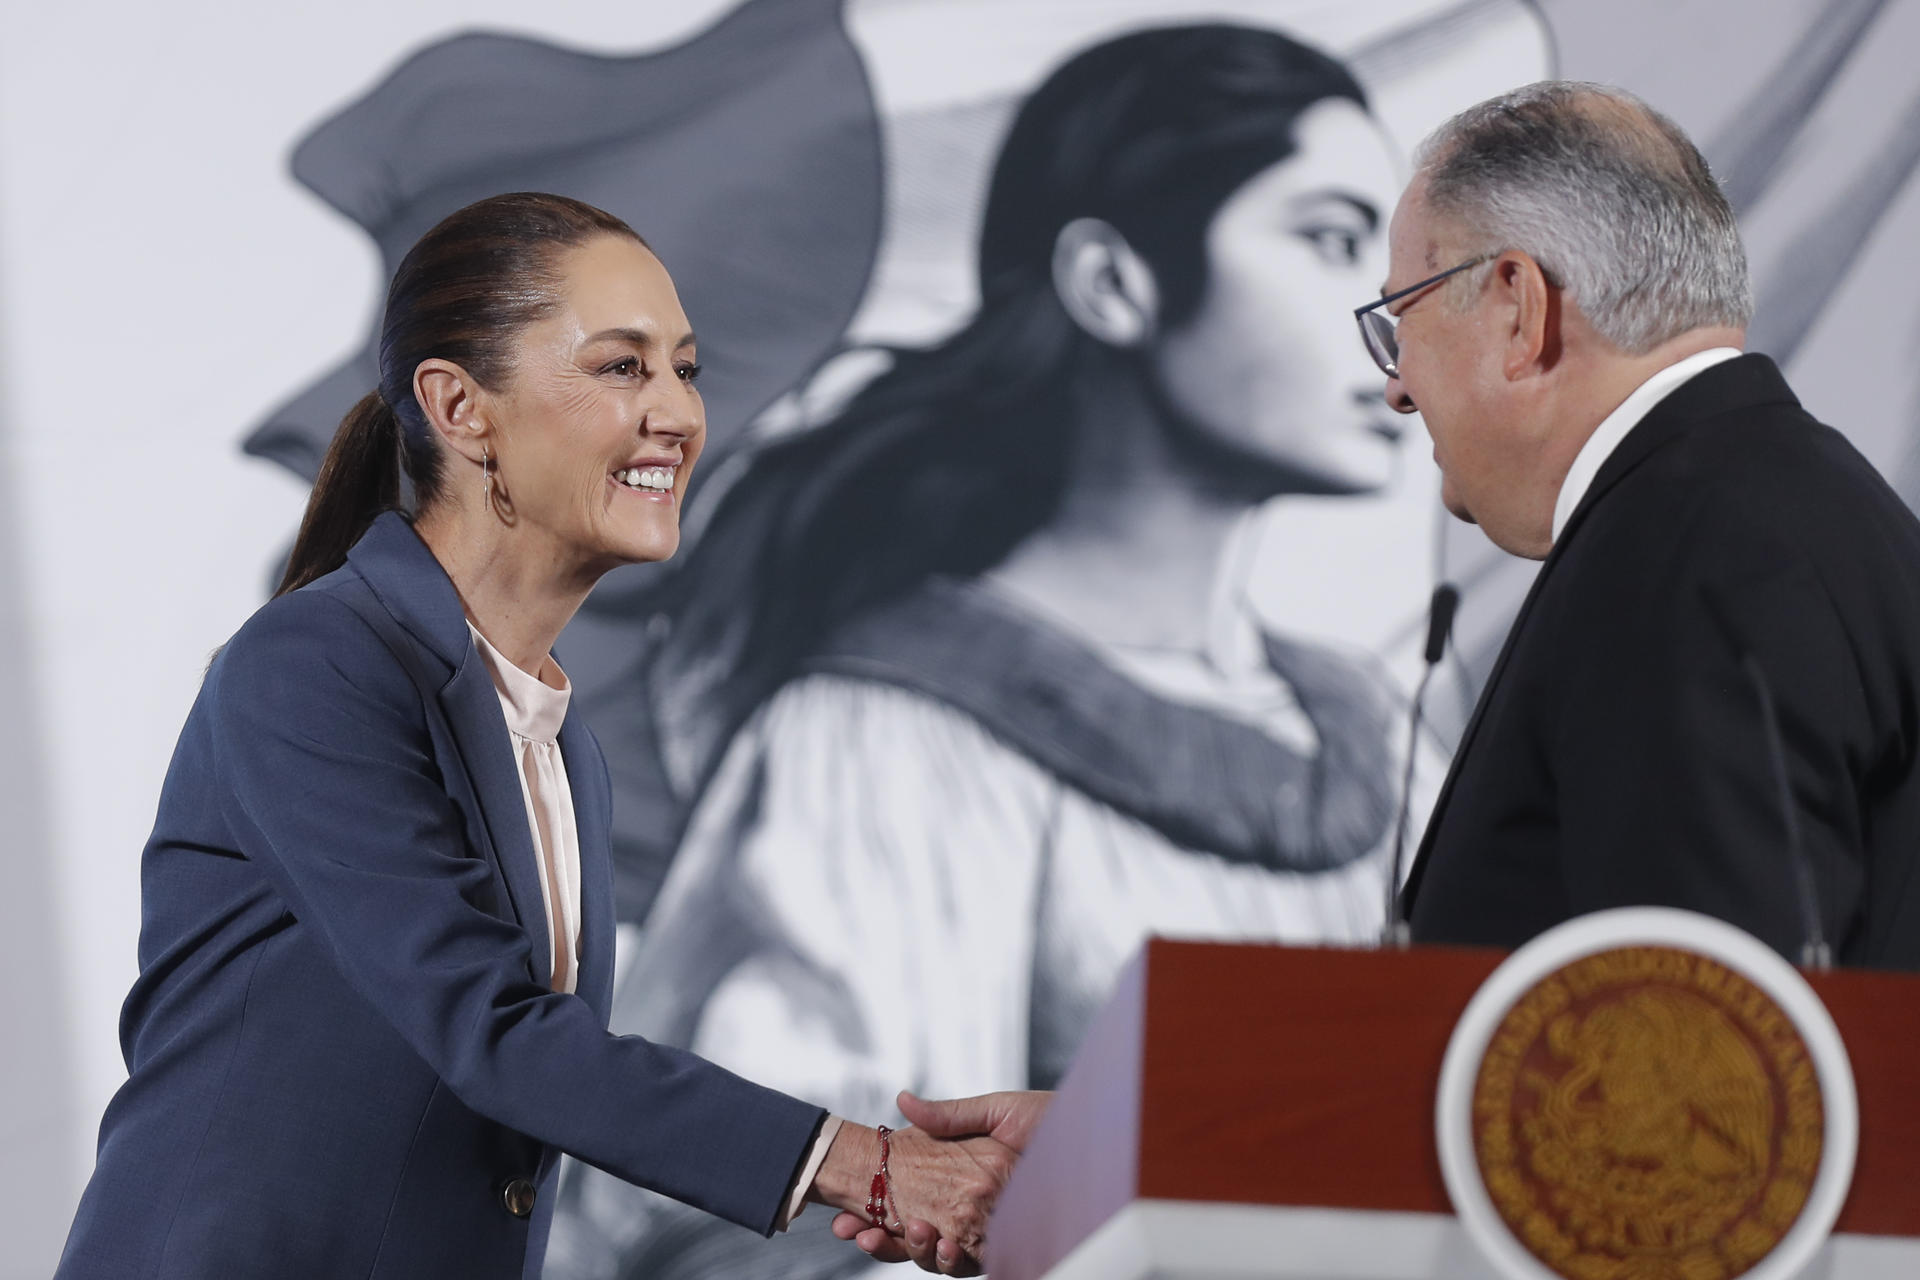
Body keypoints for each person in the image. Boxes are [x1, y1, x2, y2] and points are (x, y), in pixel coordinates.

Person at [550, 25, 1441, 1279]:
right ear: (1113, 282)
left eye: (1398, 266)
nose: (1388, 321)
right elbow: (769, 1231)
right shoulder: (885, 742)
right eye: (1330, 239)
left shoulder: (1394, 732)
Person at [54, 192, 1017, 1280]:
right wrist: (860, 1163)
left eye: (685, 370)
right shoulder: (311, 663)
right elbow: (494, 1032)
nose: (678, 414)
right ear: (461, 407)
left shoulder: (563, 748)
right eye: (621, 367)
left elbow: (534, 1094)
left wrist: (906, 1164)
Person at [1371, 82, 1920, 968]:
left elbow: (1705, 1054)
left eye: (1402, 319)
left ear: (1518, 306)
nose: (1396, 385)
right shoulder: (1786, 504)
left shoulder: (1686, 557)